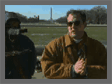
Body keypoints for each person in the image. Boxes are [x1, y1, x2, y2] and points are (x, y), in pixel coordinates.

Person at [41, 10, 107, 79]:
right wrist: (72, 69)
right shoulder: (54, 45)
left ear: (85, 25)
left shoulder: (97, 47)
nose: (73, 26)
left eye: (77, 23)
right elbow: (46, 69)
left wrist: (87, 70)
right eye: (69, 23)